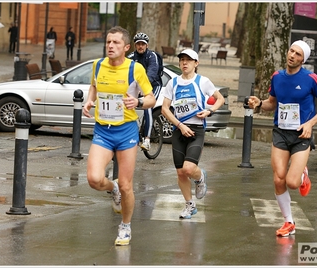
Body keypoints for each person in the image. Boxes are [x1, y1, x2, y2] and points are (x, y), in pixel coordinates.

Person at [247, 40, 317, 237]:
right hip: (281, 132)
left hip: (302, 134)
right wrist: (259, 104)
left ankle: (302, 173)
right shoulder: (277, 76)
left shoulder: (311, 78)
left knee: (292, 183)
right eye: (291, 51)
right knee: (278, 178)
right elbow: (272, 103)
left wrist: (310, 123)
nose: (293, 55)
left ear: (303, 59)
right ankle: (289, 222)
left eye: (298, 54)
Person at [82, 26, 156, 246]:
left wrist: (139, 102)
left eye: (115, 43)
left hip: (126, 132)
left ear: (126, 47)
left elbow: (151, 98)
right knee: (94, 179)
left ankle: (125, 225)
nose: (110, 46)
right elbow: (93, 88)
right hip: (103, 130)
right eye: (108, 42)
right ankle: (110, 188)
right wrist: (89, 101)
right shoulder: (97, 65)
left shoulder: (135, 69)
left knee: (126, 185)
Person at [161, 49, 225, 219]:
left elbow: (220, 99)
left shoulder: (203, 81)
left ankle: (200, 177)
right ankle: (190, 205)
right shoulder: (173, 83)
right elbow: (165, 108)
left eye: (189, 60)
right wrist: (180, 125)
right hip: (179, 129)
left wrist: (209, 111)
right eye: (182, 59)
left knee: (189, 168)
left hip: (196, 130)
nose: (184, 63)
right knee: (181, 172)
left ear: (196, 63)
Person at [127, 32, 163, 151]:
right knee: (127, 105)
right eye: (138, 44)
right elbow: (126, 73)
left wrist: (144, 90)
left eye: (143, 44)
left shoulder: (152, 56)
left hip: (153, 85)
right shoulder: (131, 57)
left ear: (147, 45)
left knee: (147, 107)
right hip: (138, 87)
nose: (140, 46)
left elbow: (152, 72)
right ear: (135, 45)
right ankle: (133, 134)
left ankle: (147, 140)